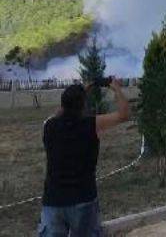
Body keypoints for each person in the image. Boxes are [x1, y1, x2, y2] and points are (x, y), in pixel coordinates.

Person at [39, 77, 130, 236]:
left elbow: (59, 113)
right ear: (83, 105)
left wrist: (79, 93)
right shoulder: (91, 124)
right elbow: (124, 115)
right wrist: (116, 89)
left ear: (63, 103)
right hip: (83, 198)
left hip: (53, 200)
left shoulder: (49, 126)